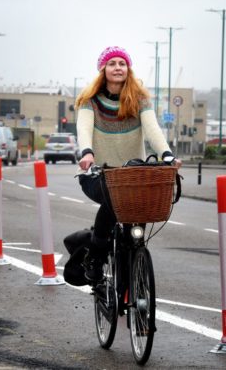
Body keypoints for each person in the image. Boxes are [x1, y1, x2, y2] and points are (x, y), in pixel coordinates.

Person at [75, 46, 181, 281]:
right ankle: (96, 257)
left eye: (122, 64)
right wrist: (87, 153)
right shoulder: (89, 100)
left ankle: (136, 263)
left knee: (139, 209)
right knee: (113, 202)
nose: (117, 68)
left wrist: (167, 155)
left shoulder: (139, 100)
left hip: (134, 174)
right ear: (103, 70)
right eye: (112, 64)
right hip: (98, 173)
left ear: (128, 70)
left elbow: (153, 130)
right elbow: (83, 129)